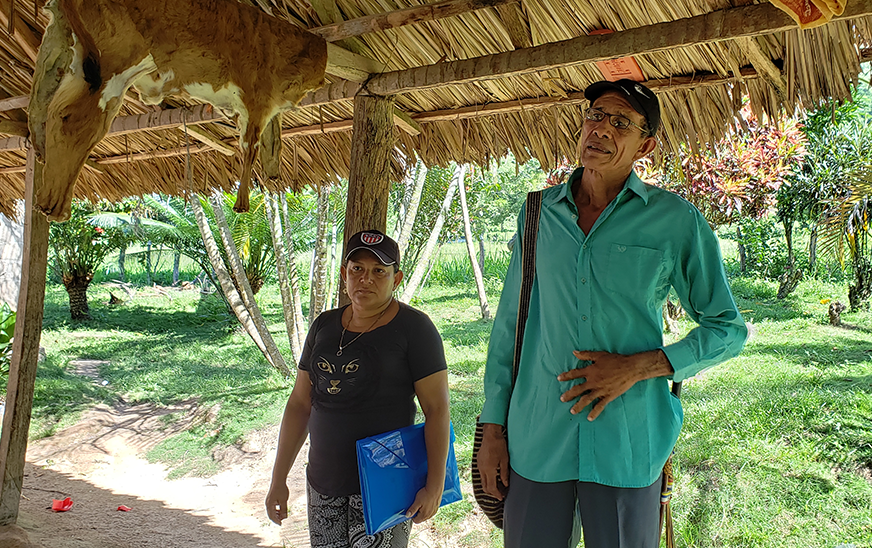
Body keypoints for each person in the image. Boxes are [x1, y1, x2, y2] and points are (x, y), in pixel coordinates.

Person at [477, 79, 748, 548]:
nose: (600, 128)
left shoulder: (674, 221)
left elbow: (728, 328)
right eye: (595, 115)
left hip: (627, 441)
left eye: (620, 122)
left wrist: (637, 368)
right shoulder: (539, 213)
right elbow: (510, 325)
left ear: (647, 144)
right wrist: (492, 428)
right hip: (538, 436)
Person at [266, 229, 450, 548]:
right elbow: (299, 403)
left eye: (379, 271)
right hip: (324, 482)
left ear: (396, 279)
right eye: (357, 269)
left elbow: (437, 409)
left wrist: (434, 486)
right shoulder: (324, 326)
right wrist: (278, 478)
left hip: (385, 486)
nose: (366, 279)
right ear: (344, 274)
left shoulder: (414, 329)